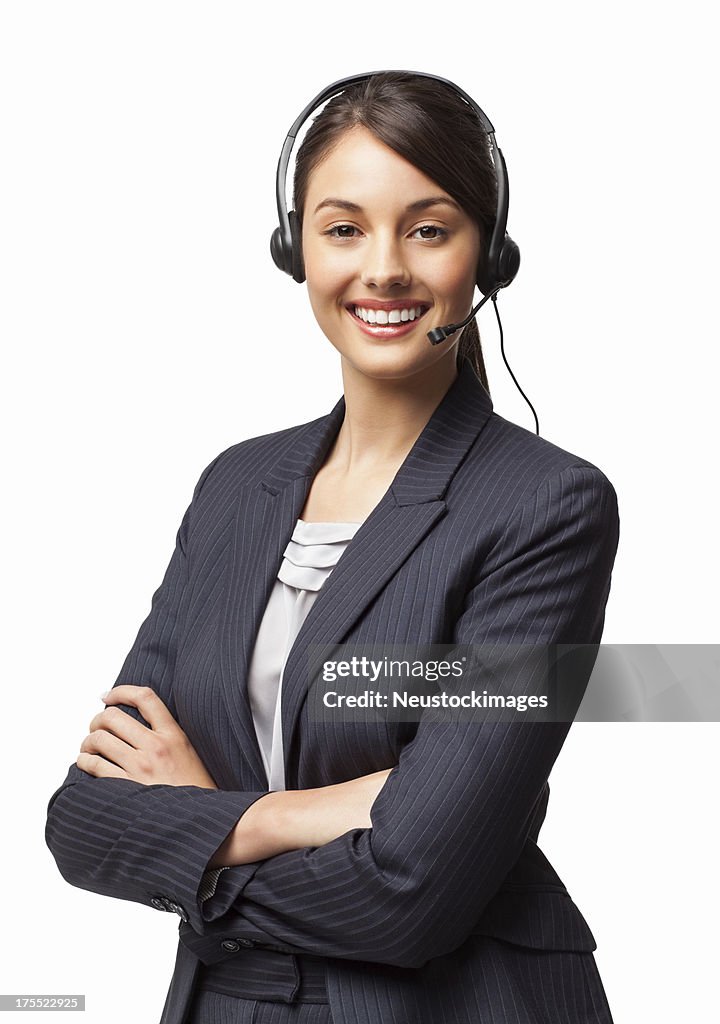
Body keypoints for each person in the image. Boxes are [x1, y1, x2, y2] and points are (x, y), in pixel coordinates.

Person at [45, 70, 620, 1024]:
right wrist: (283, 816)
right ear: (295, 249)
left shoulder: (546, 508)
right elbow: (84, 822)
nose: (384, 268)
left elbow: (410, 897)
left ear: (489, 254)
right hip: (224, 1005)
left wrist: (194, 834)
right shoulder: (236, 486)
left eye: (429, 229)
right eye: (343, 228)